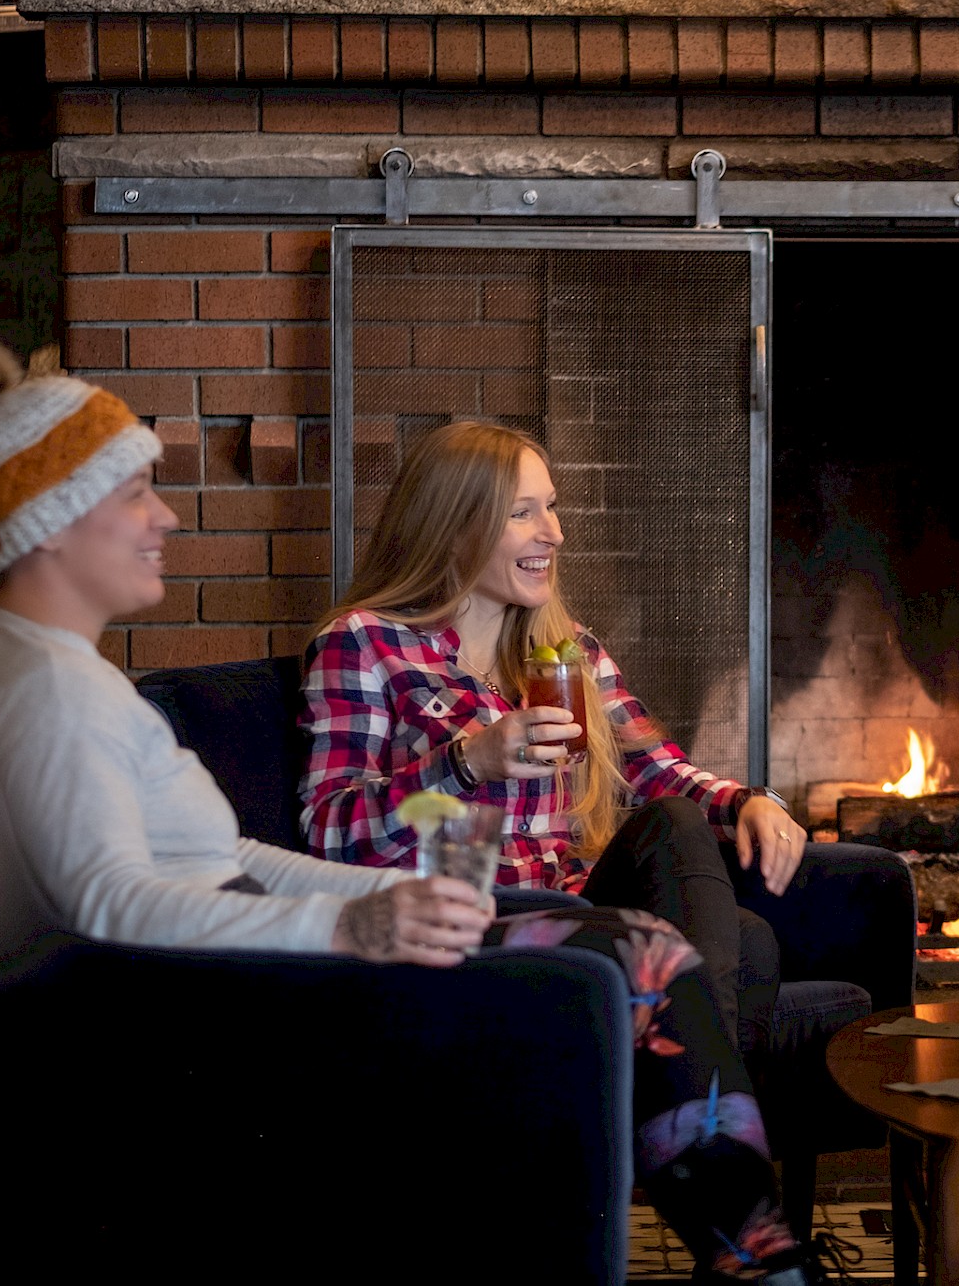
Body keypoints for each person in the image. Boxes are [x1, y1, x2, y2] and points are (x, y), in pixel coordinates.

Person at [300, 419, 815, 1278]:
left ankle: (712, 1181)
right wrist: (467, 761)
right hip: (475, 918)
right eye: (525, 514)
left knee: (684, 831)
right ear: (456, 523)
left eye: (554, 509)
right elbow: (330, 828)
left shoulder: (561, 650)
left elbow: (659, 773)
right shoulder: (364, 644)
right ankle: (737, 1220)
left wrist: (750, 800)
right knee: (747, 946)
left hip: (581, 908)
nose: (556, 535)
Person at [0, 341, 487, 968]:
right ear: (52, 517)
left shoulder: (47, 665)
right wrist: (349, 925)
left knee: (586, 935)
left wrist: (391, 890)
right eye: (136, 492)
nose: (166, 518)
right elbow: (105, 905)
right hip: (226, 999)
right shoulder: (53, 688)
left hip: (244, 959)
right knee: (583, 967)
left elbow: (221, 857)